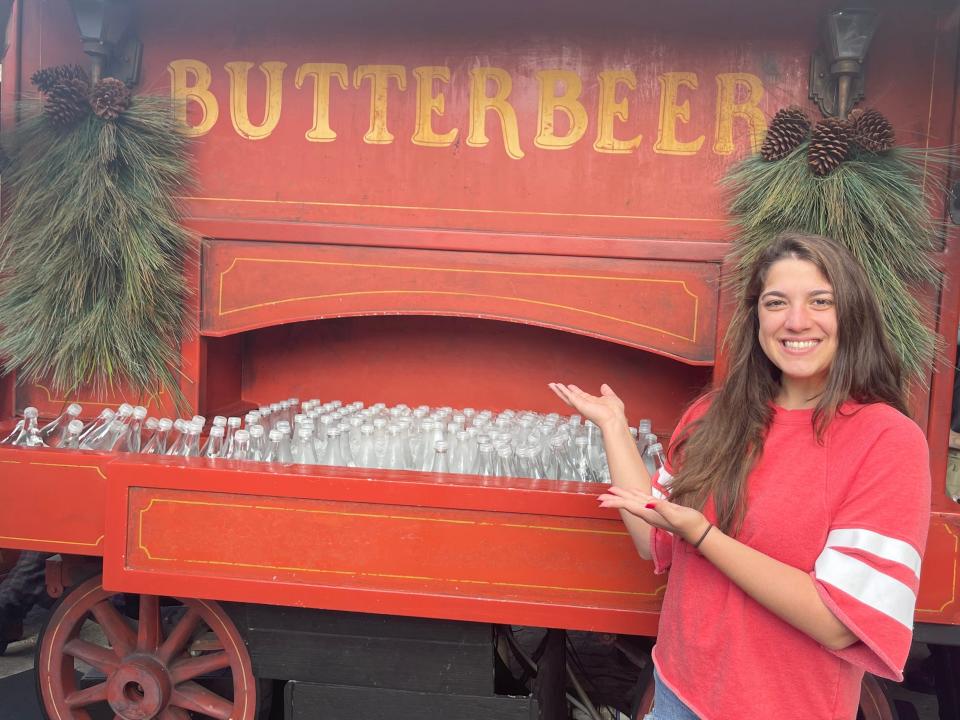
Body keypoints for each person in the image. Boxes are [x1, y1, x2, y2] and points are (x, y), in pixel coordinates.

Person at [549, 232, 931, 720]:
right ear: (757, 319)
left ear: (852, 315)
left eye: (820, 301)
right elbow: (652, 536)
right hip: (678, 690)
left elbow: (839, 623)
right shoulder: (714, 415)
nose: (796, 321)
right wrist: (614, 427)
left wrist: (704, 536)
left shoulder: (885, 439)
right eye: (777, 302)